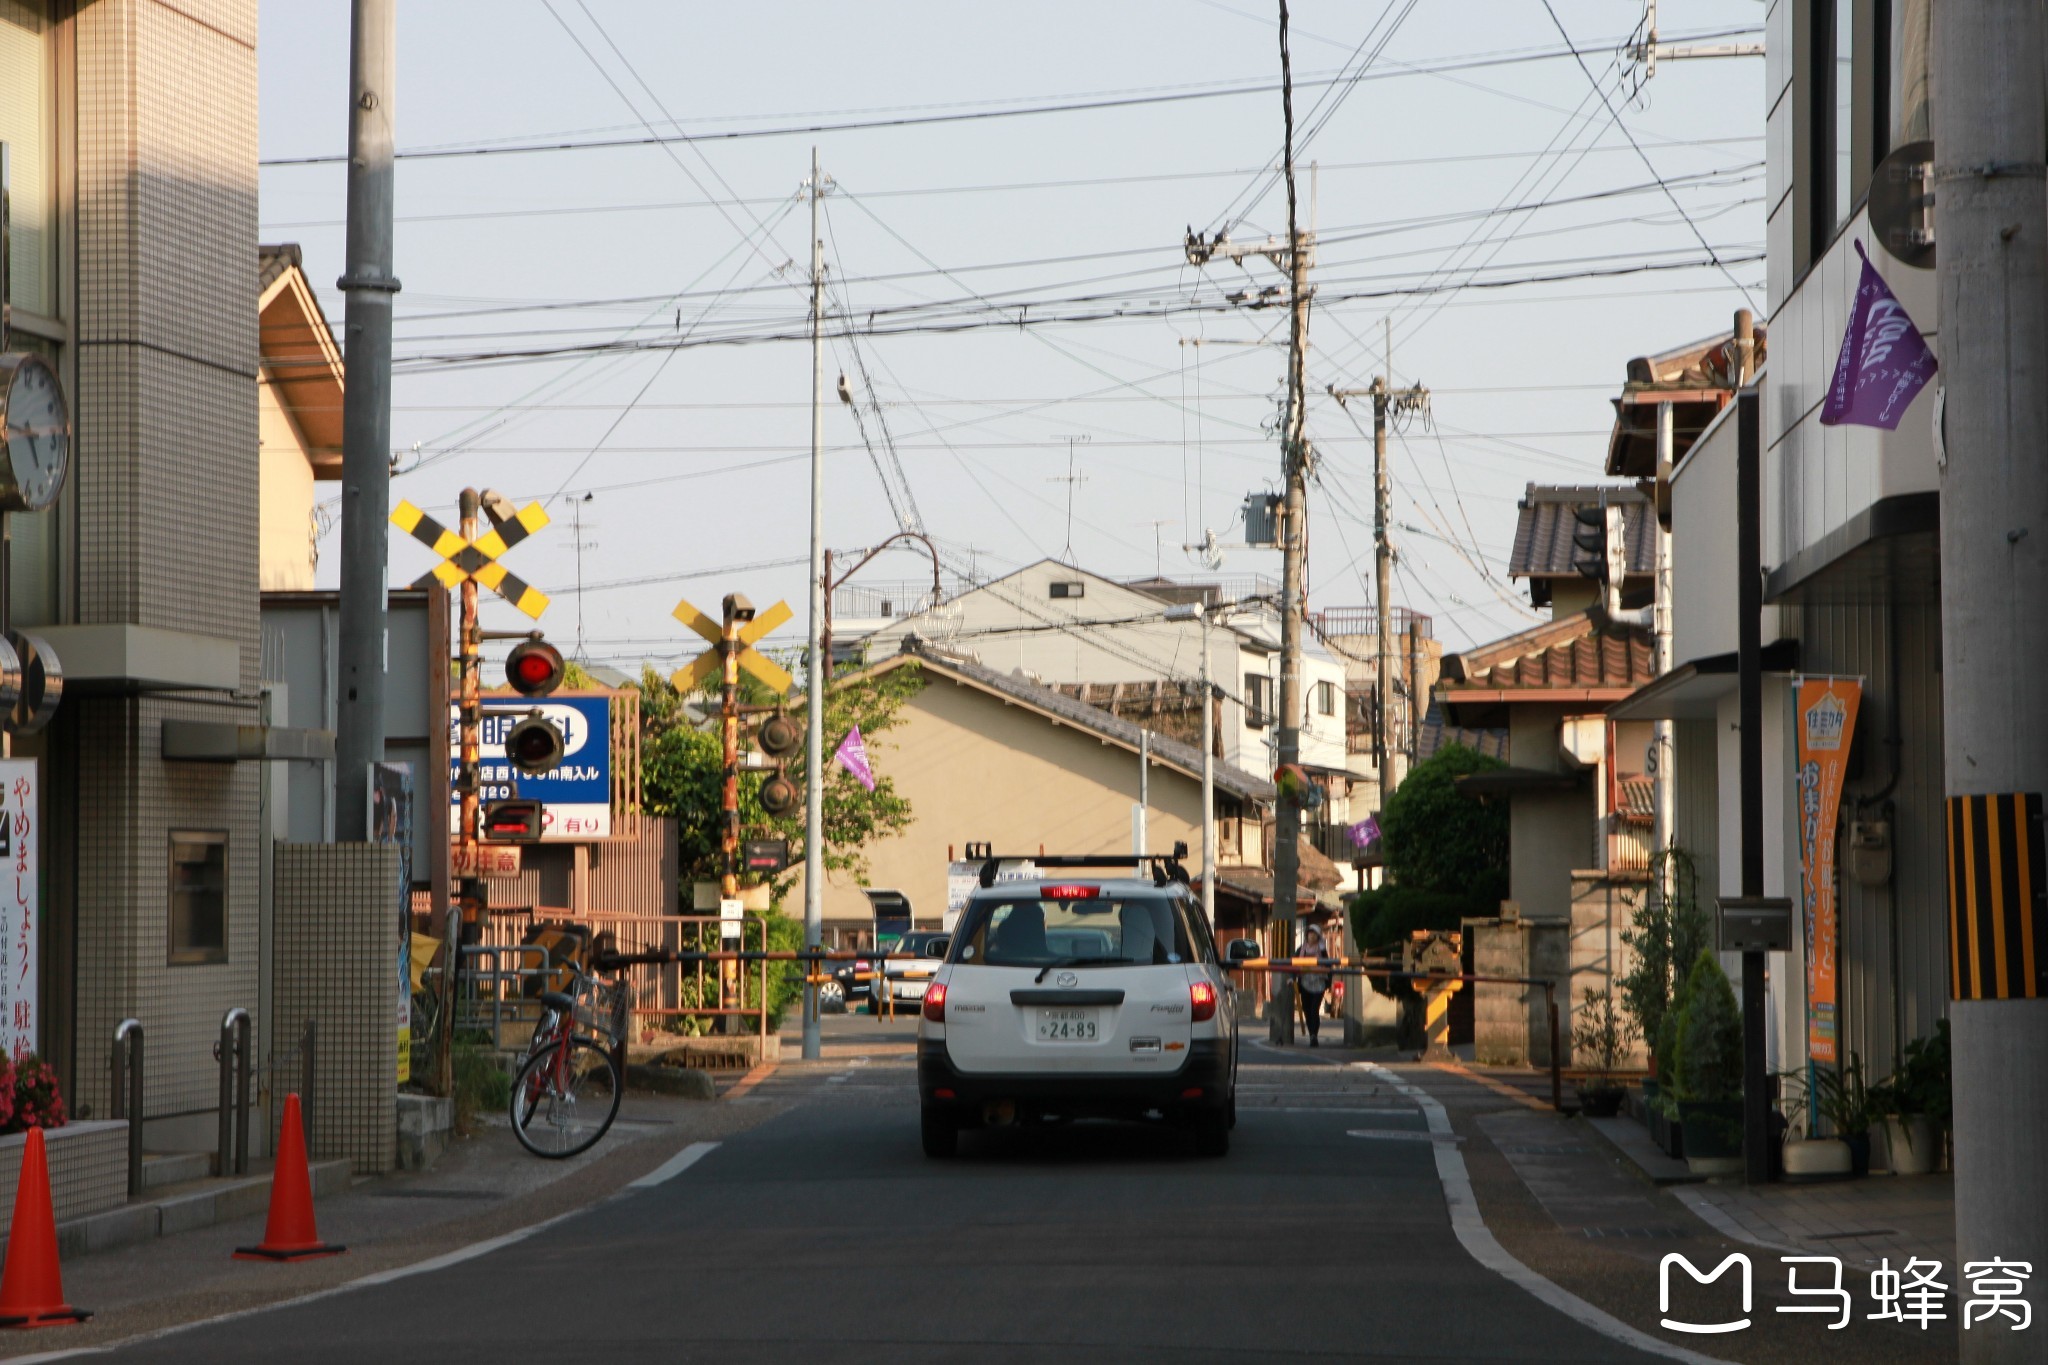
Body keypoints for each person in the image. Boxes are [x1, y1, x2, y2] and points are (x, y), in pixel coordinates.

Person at [1297, 925, 1332, 1046]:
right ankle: (1311, 1033)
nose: (1312, 936)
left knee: (1314, 1009)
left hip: (1319, 982)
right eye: (1309, 933)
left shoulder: (1322, 949)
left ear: (1318, 936)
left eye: (1314, 934)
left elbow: (1329, 965)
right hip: (1305, 982)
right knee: (1306, 1009)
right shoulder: (1301, 949)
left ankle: (1314, 1035)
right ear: (1306, 935)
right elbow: (1294, 964)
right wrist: (1292, 979)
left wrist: (1329, 983)